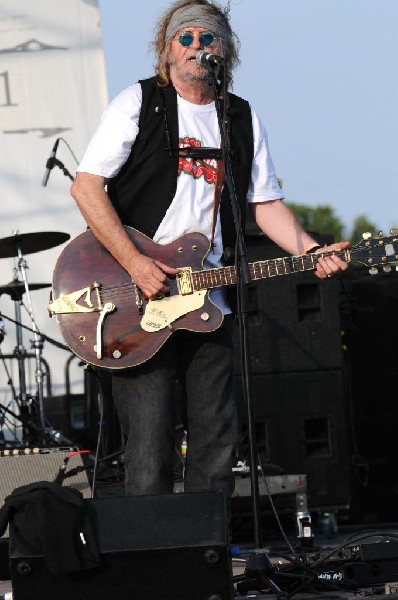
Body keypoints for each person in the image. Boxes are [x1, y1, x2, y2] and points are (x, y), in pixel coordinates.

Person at [71, 0, 349, 501]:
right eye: (187, 38)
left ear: (227, 50)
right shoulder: (138, 103)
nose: (198, 47)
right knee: (150, 443)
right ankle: (153, 566)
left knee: (216, 442)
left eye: (209, 38)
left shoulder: (239, 117)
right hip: (138, 298)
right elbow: (86, 188)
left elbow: (265, 204)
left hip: (208, 300)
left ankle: (207, 562)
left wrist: (312, 249)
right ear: (167, 49)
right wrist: (135, 262)